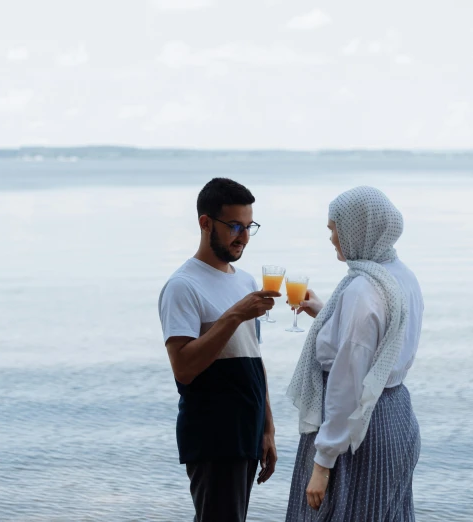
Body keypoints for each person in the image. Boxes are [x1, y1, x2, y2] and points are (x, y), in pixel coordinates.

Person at [285, 186, 424, 521]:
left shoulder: (363, 290)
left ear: (359, 230)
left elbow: (347, 383)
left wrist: (322, 463)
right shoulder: (402, 277)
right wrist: (328, 314)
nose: (332, 237)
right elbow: (378, 343)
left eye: (335, 229)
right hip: (396, 417)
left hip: (357, 427)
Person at [158, 178, 281, 522]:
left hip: (246, 430)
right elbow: (183, 367)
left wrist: (267, 429)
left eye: (249, 226)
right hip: (214, 434)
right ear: (206, 223)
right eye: (235, 226)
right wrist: (235, 315)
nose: (243, 236)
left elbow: (254, 359)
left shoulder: (244, 281)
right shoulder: (183, 286)